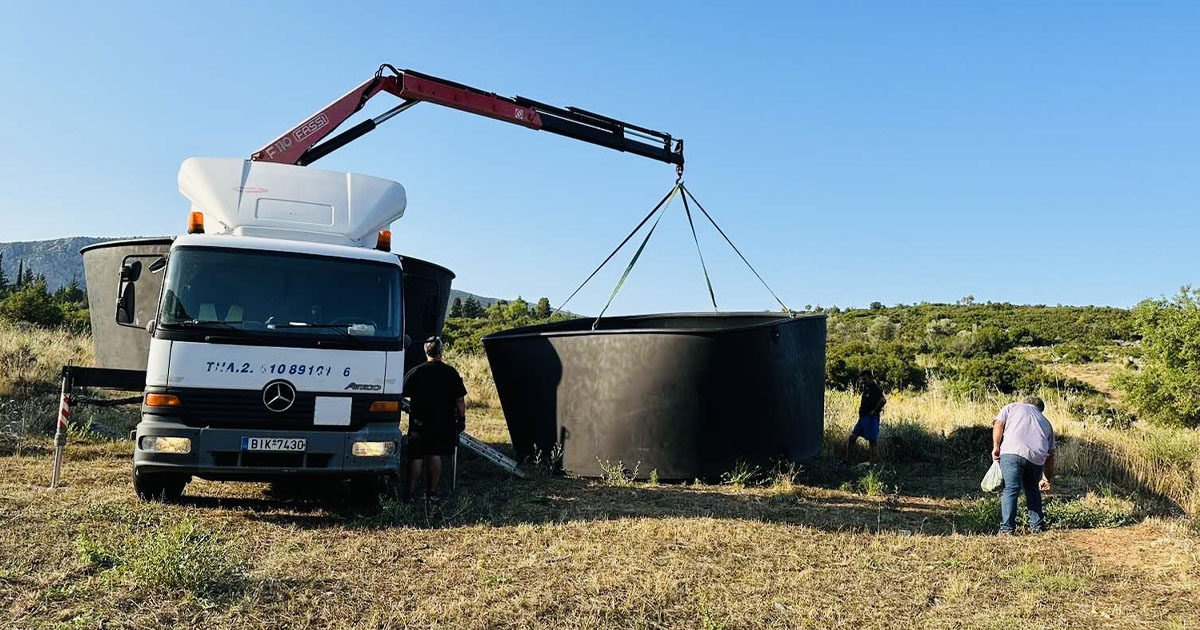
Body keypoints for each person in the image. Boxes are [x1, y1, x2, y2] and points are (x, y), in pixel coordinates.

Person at [402, 336, 467, 500]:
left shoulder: (415, 371)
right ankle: (431, 493)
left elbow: (400, 394)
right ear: (441, 352)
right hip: (442, 421)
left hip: (419, 421)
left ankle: (409, 494)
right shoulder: (451, 372)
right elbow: (460, 400)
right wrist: (462, 419)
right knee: (434, 454)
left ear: (425, 352)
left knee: (416, 456)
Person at [992, 395, 1056, 535]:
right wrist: (1046, 479)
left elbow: (998, 424)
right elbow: (1051, 455)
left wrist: (996, 446)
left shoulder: (1012, 407)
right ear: (1040, 409)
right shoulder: (1046, 422)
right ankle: (1037, 527)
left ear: (1025, 402)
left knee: (1011, 489)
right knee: (1032, 490)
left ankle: (1007, 530)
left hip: (1012, 452)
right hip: (1036, 458)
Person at [847, 371, 886, 460]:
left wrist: (875, 411)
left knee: (872, 442)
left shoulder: (875, 388)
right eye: (862, 379)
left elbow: (883, 400)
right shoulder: (866, 387)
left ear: (870, 378)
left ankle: (875, 464)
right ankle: (848, 460)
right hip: (862, 418)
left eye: (865, 379)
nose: (863, 381)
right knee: (852, 438)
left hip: (871, 419)